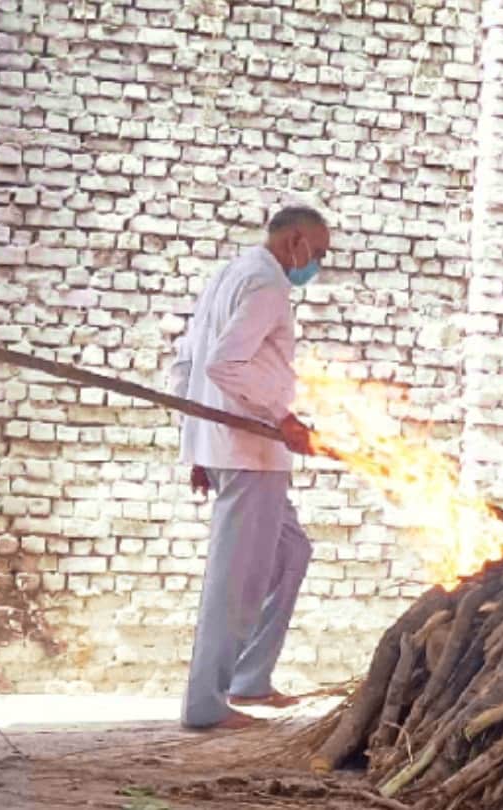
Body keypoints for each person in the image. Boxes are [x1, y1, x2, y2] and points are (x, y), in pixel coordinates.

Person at [170, 205, 329, 730]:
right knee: (235, 581)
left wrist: (196, 444)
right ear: (295, 241)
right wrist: (283, 416)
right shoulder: (267, 286)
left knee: (291, 553)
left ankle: (250, 678)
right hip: (249, 453)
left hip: (234, 450)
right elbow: (222, 363)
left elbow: (186, 362)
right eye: (318, 253)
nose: (318, 264)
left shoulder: (231, 273)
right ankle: (205, 704)